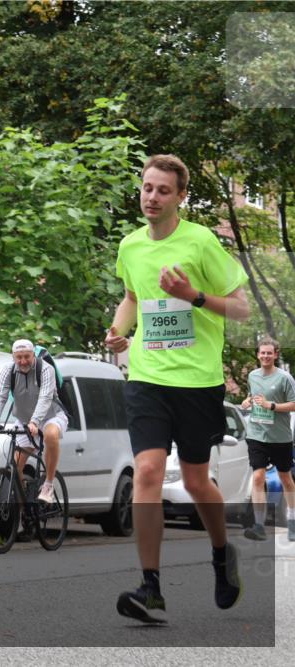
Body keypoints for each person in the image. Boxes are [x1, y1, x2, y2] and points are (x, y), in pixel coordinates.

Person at [104, 154, 251, 624]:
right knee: (147, 472)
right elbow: (131, 296)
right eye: (147, 188)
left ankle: (222, 553)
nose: (152, 197)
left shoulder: (201, 242)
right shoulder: (130, 246)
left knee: (193, 481)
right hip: (147, 376)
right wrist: (117, 330)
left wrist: (194, 297)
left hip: (196, 379)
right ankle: (150, 588)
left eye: (163, 190)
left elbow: (242, 309)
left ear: (181, 197)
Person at [0, 339, 67, 504]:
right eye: (18, 357)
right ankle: (24, 510)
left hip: (51, 416)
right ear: (13, 357)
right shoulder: (8, 370)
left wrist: (35, 422)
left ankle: (48, 485)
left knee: (50, 435)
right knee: (15, 467)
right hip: (24, 420)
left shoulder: (45, 369)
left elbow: (45, 398)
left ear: (33, 355)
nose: (22, 361)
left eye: (27, 356)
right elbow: (1, 396)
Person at [240, 336, 295, 542]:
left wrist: (271, 406)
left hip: (280, 437)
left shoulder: (285, 378)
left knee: (285, 479)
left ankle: (292, 521)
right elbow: (252, 396)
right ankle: (259, 525)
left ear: (275, 354)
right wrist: (246, 401)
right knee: (258, 477)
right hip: (256, 434)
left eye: (269, 353)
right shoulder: (253, 376)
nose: (265, 356)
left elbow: (294, 404)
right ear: (258, 354)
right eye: (262, 352)